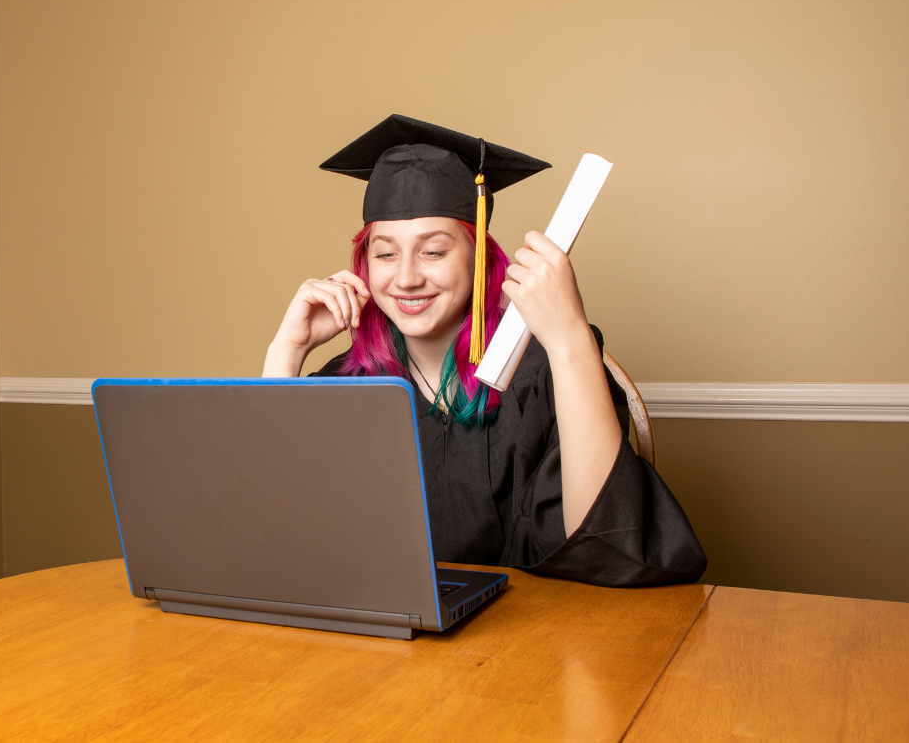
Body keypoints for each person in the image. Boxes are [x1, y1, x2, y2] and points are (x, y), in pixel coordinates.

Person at [263, 115, 706, 586]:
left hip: (532, 639)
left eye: (434, 251)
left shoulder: (542, 371)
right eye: (386, 253)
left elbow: (605, 544)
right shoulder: (348, 382)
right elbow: (273, 529)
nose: (407, 277)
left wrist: (569, 337)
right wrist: (287, 351)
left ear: (479, 258)